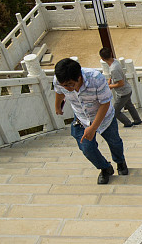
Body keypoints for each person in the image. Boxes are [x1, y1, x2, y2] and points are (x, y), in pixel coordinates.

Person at [53, 57, 127, 185]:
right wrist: (57, 107)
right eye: (64, 85)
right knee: (87, 148)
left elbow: (105, 103)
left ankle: (120, 161)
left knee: (114, 142)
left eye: (70, 84)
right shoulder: (59, 81)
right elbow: (59, 93)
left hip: (105, 117)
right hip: (81, 118)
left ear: (79, 77)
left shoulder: (96, 79)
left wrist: (93, 128)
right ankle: (105, 168)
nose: (67, 88)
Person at [98, 47, 142, 128]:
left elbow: (121, 83)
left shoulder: (113, 69)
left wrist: (110, 86)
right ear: (111, 54)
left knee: (115, 111)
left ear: (102, 58)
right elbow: (114, 76)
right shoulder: (115, 62)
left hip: (123, 93)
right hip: (127, 89)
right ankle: (137, 120)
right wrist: (110, 81)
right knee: (129, 105)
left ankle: (128, 123)